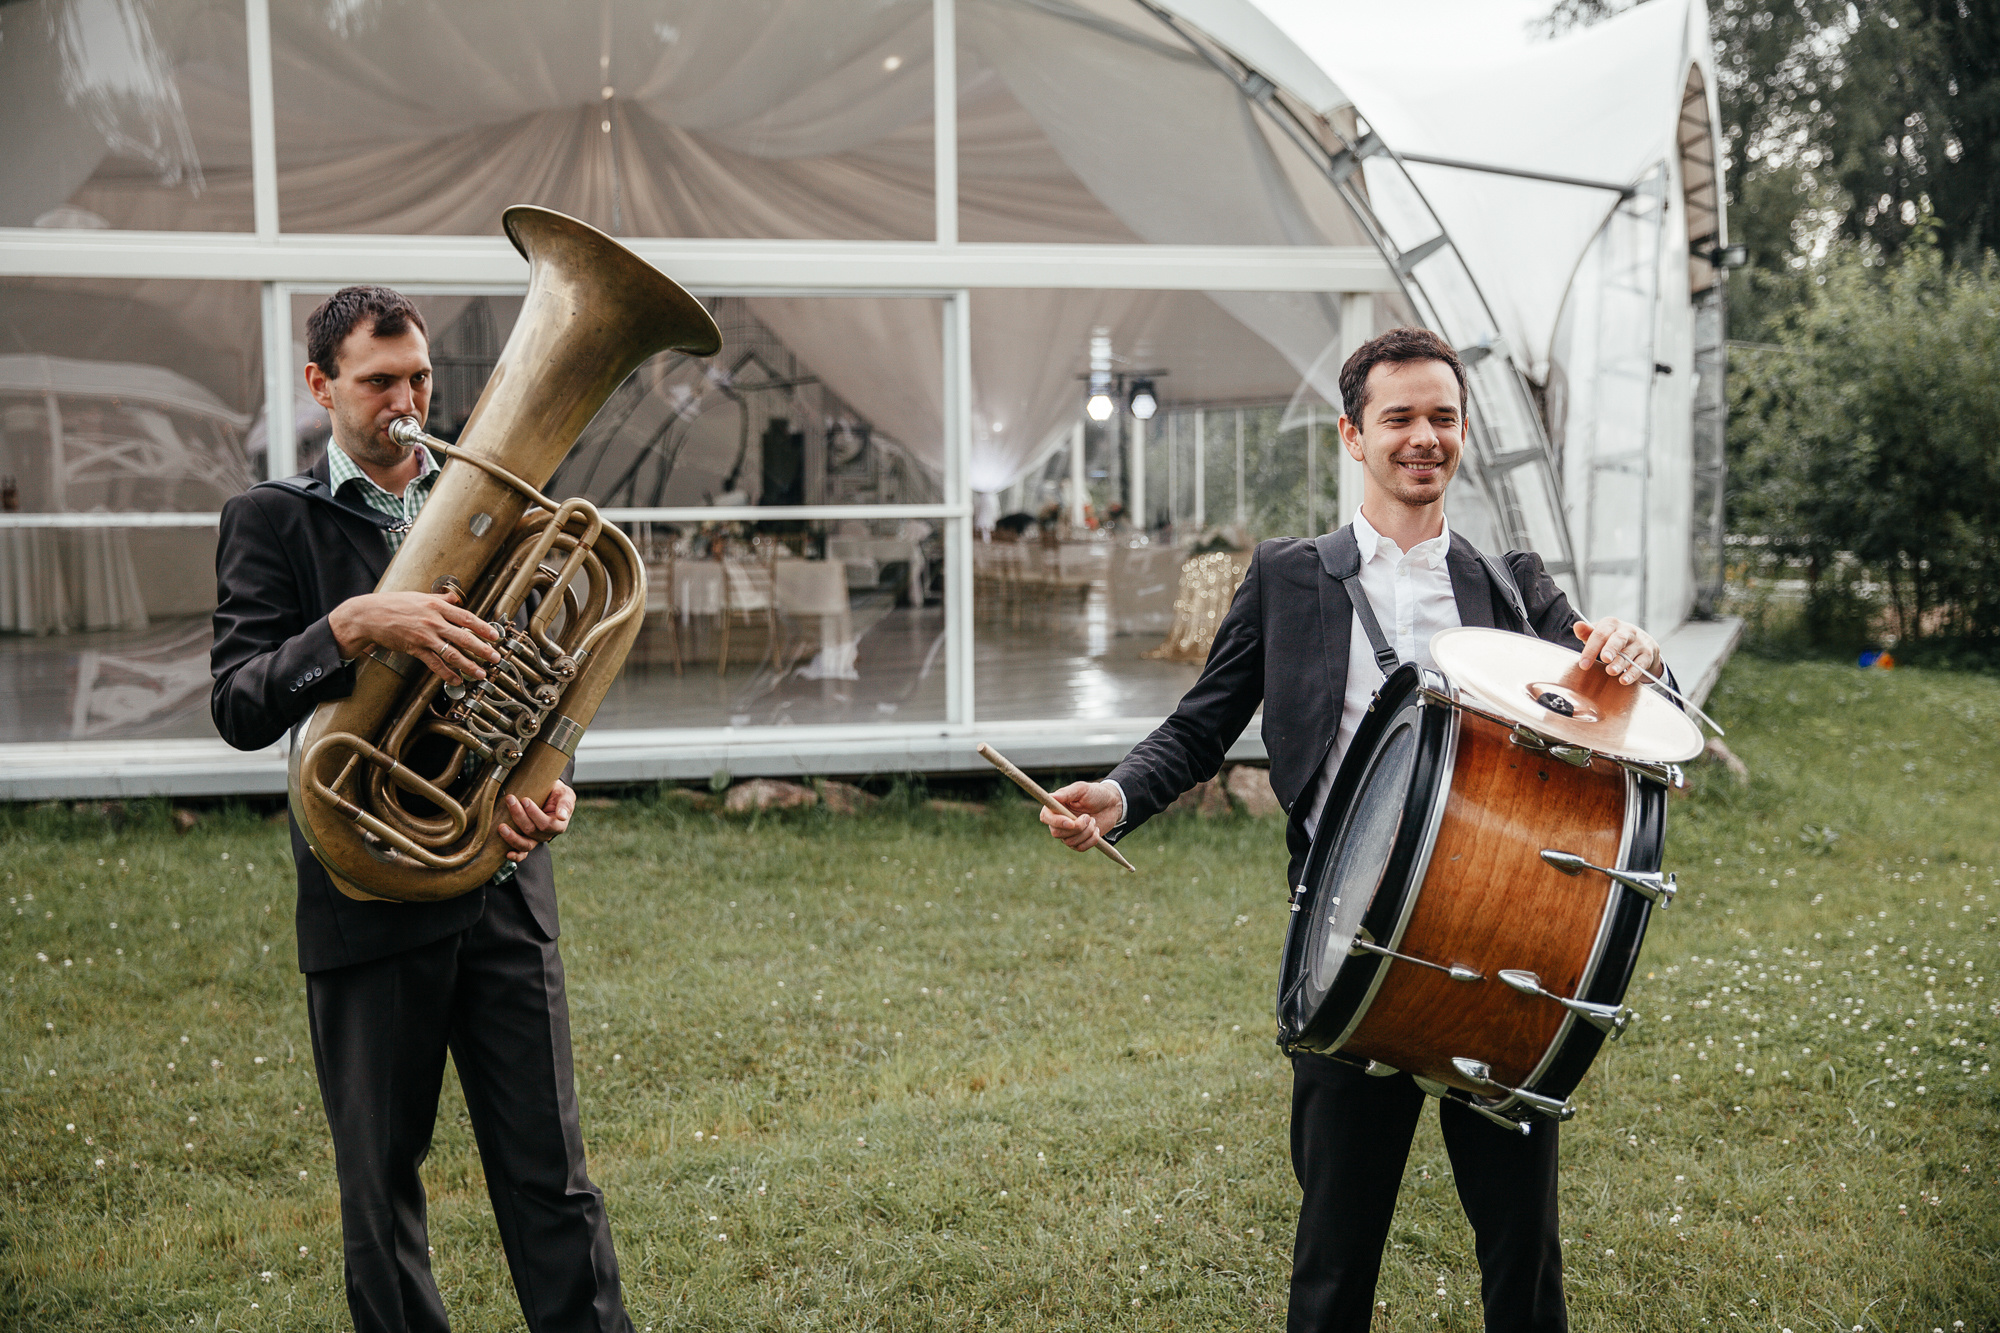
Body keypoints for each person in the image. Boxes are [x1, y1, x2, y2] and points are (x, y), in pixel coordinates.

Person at [1039, 328, 1667, 1333]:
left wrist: (1640, 658)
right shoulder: (1289, 576)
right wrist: (1119, 794)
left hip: (1498, 947)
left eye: (1442, 418)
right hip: (1345, 952)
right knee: (1333, 1255)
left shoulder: (1509, 583)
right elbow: (1204, 721)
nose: (1423, 438)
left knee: (1520, 1251)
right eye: (1399, 419)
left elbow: (1622, 710)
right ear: (1351, 434)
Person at [211, 286, 633, 1333]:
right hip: (367, 898)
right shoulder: (273, 521)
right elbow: (236, 704)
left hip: (496, 881)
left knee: (554, 1178)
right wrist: (351, 624)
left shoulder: (509, 512)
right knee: (381, 1197)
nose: (406, 401)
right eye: (378, 381)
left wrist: (542, 784)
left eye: (421, 379)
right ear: (321, 387)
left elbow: (539, 691)